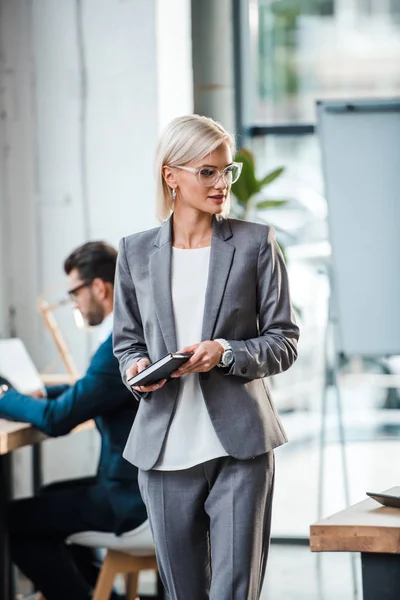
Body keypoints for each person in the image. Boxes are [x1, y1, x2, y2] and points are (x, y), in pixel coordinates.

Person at [113, 114, 300, 600]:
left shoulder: (256, 243)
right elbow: (127, 343)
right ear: (171, 175)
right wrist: (136, 368)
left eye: (226, 170)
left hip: (240, 447)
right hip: (163, 452)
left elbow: (283, 340)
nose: (222, 183)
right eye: (208, 171)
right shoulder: (134, 253)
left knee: (234, 592)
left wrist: (225, 352)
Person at [0, 241, 147, 600]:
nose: (73, 304)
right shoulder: (133, 332)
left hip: (131, 502)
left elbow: (56, 420)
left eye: (74, 294)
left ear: (99, 287)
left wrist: (5, 398)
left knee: (13, 521)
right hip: (137, 489)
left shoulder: (118, 346)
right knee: (52, 497)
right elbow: (88, 391)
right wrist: (37, 394)